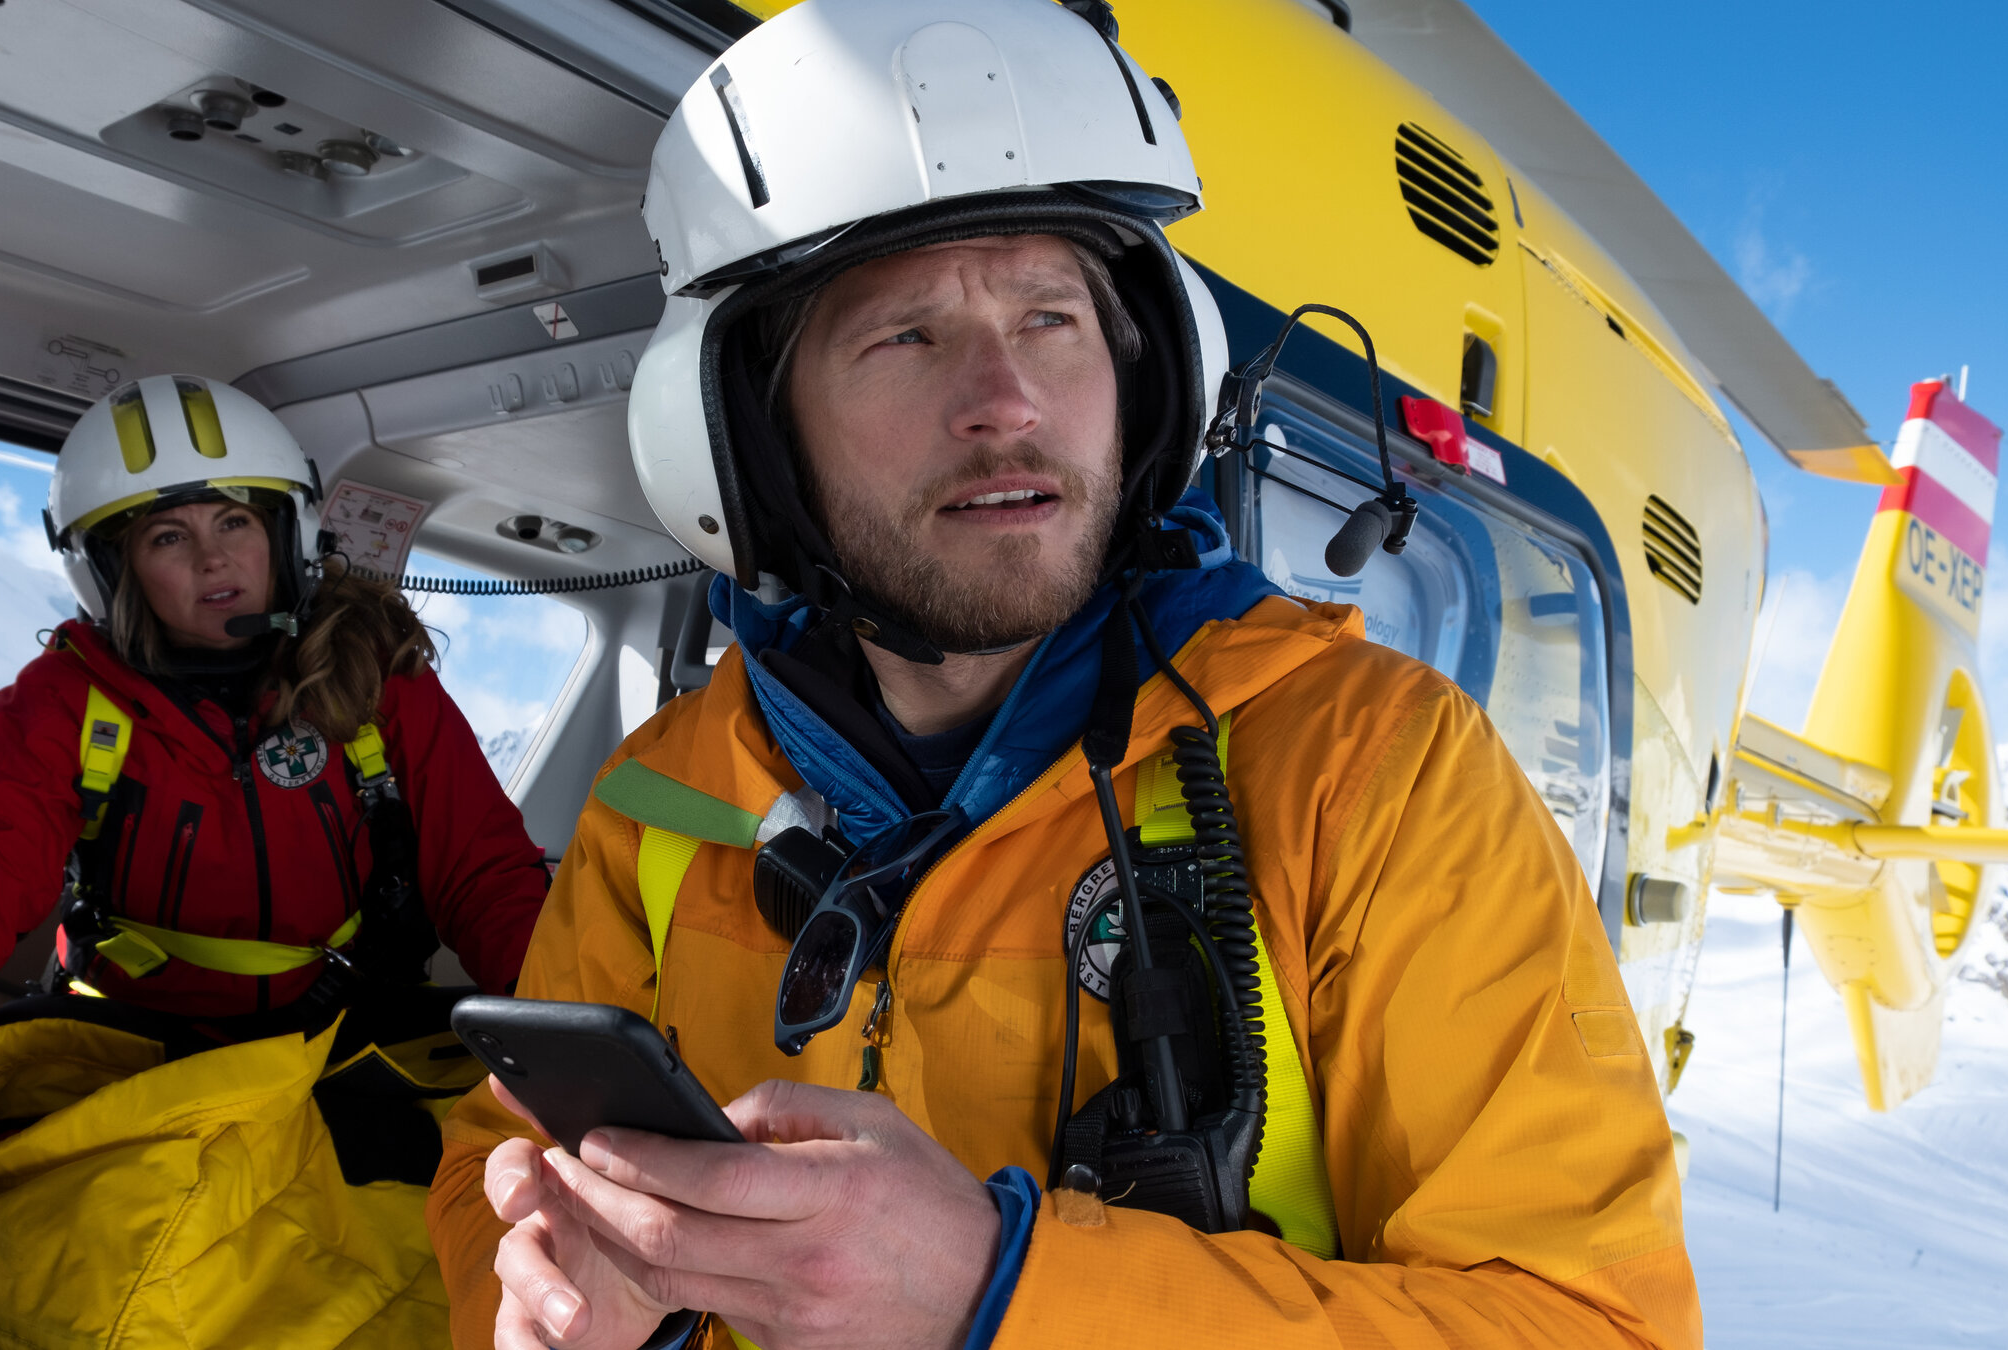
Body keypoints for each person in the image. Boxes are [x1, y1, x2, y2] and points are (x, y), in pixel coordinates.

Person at [424, 1, 1699, 1347]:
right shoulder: (660, 799)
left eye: (1051, 319)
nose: (1007, 400)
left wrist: (1007, 1293)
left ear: (1149, 381)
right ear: (746, 440)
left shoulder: (1378, 774)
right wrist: (545, 1290)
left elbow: (1594, 1322)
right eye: (905, 337)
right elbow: (490, 1164)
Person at [0, 375, 548, 1347]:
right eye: (168, 538)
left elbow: (488, 880)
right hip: (140, 1070)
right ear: (113, 569)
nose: (215, 559)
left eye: (236, 521)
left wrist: (587, 1028)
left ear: (285, 530)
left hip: (343, 1063)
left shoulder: (383, 692)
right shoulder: (58, 710)